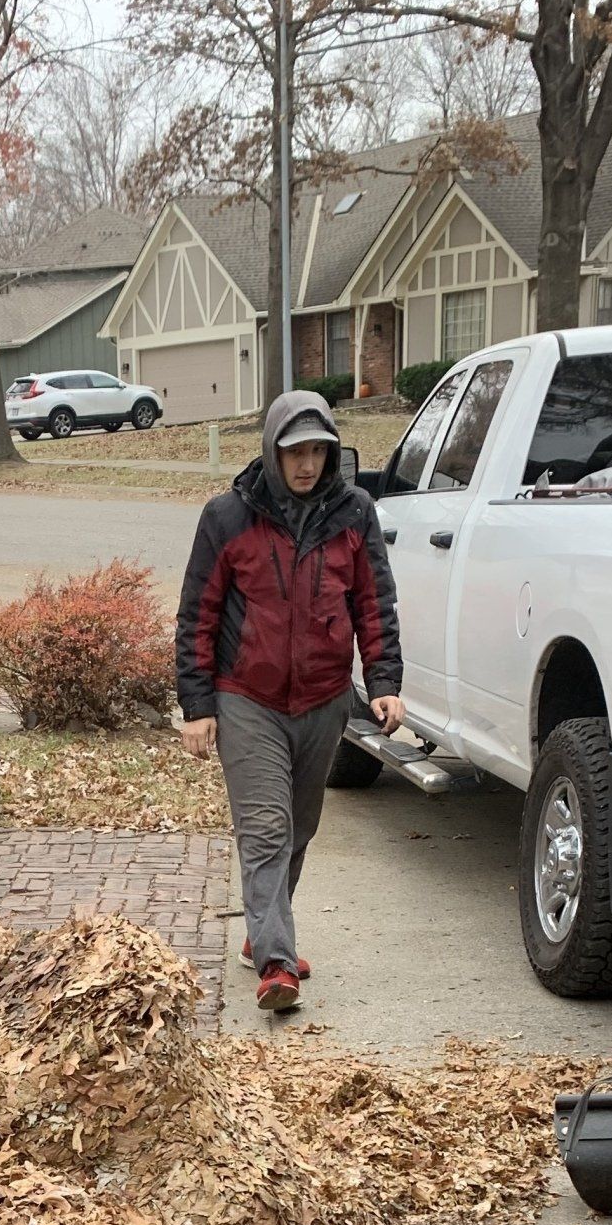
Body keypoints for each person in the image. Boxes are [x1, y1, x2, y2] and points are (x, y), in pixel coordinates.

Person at [175, 388, 404, 1013]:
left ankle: (262, 930)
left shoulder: (354, 513)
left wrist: (383, 684)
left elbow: (372, 602)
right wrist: (197, 706)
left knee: (300, 827)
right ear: (272, 452)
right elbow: (198, 613)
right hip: (247, 697)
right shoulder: (227, 517)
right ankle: (277, 962)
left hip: (324, 699)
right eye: (294, 451)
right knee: (267, 829)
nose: (306, 464)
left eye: (317, 452)